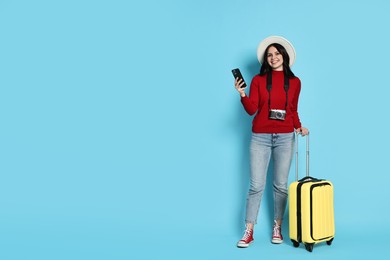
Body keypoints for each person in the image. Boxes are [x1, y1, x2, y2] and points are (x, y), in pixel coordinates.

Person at [234, 36, 309, 248]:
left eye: (277, 54)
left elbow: (293, 109)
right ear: (265, 59)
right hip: (260, 137)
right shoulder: (258, 81)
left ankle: (277, 226)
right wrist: (242, 94)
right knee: (256, 185)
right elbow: (251, 109)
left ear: (284, 56)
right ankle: (249, 230)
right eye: (269, 55)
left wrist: (298, 126)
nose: (273, 58)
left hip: (285, 137)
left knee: (280, 186)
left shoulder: (295, 82)